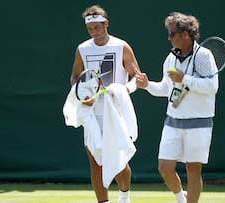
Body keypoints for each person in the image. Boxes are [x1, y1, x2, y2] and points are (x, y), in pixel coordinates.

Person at [135, 12, 219, 203]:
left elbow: (212, 87)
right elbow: (165, 89)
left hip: (199, 123)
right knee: (164, 167)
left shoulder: (204, 55)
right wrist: (147, 85)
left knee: (193, 169)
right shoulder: (170, 59)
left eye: (172, 34)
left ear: (185, 34)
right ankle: (182, 199)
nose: (169, 38)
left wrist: (185, 79)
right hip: (172, 122)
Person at [69, 5, 141, 203]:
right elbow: (75, 78)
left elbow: (137, 77)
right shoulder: (82, 49)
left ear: (106, 24)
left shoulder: (121, 46)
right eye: (90, 29)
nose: (94, 32)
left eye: (97, 27)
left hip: (116, 111)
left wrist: (124, 90)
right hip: (92, 113)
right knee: (95, 161)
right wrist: (83, 95)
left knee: (118, 160)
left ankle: (124, 196)